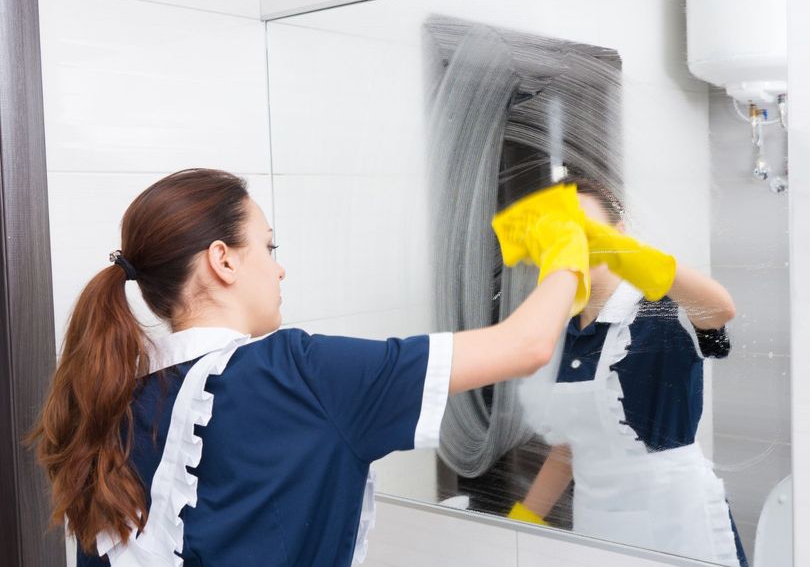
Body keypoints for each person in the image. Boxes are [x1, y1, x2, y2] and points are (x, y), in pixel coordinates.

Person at [30, 169, 602, 566]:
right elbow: (525, 345)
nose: (279, 271)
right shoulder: (301, 372)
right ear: (223, 260)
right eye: (270, 248)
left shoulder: (111, 401)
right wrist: (568, 251)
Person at [508, 176, 749, 567]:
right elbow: (568, 448)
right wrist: (525, 520)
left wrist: (629, 254)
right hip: (597, 527)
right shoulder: (559, 332)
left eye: (585, 228)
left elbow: (720, 309)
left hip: (677, 525)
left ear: (618, 234)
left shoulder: (661, 309)